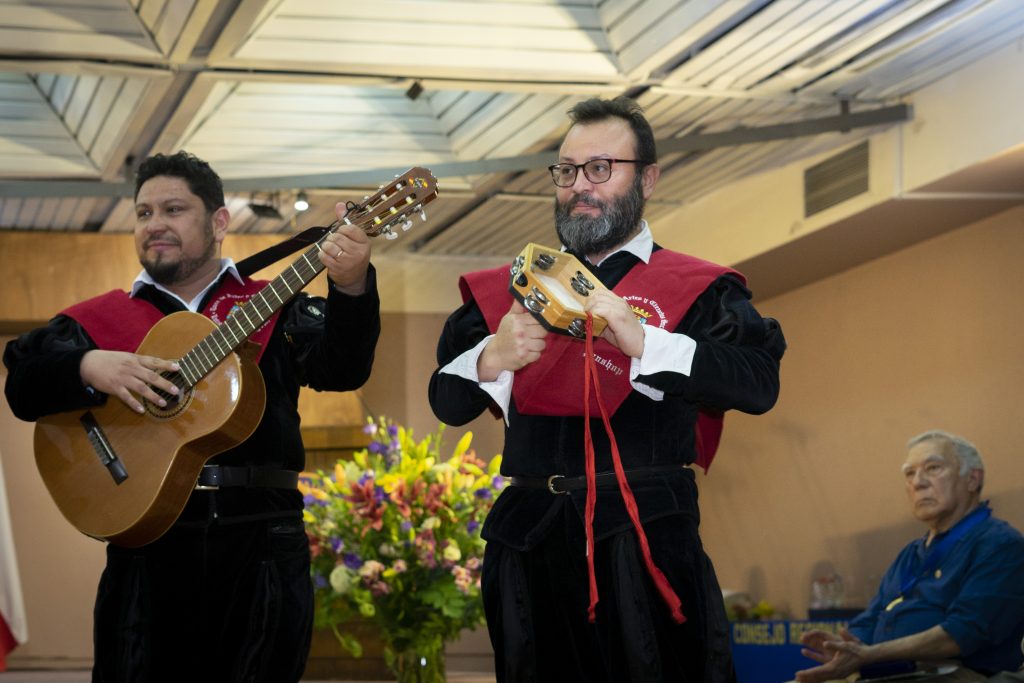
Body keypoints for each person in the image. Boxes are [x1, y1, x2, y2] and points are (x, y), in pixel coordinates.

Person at [428, 96, 786, 682]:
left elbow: (758, 384)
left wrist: (646, 342)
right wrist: (492, 356)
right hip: (528, 541)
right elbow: (445, 400)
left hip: (644, 540)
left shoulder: (700, 289)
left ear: (647, 179)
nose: (579, 186)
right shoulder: (508, 292)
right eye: (567, 171)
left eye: (600, 169)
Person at [3, 151, 381, 682]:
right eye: (143, 213)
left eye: (173, 209)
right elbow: (22, 386)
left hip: (261, 542)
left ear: (219, 221)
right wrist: (88, 365)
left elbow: (342, 370)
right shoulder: (97, 321)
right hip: (146, 549)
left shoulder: (274, 305)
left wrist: (352, 285)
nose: (154, 224)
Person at [795, 430, 1024, 682]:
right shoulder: (911, 553)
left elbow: (961, 634)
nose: (917, 483)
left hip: (953, 674)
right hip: (887, 672)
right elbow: (871, 619)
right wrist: (846, 646)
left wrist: (870, 654)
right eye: (909, 473)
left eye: (933, 468)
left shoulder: (999, 544)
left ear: (972, 479)